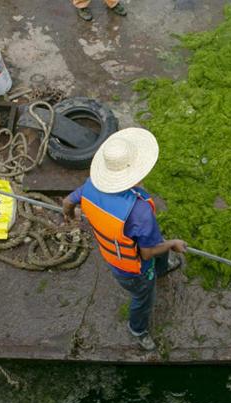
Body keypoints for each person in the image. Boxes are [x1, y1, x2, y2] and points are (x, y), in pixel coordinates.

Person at [62, 128, 186, 351]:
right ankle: (138, 329)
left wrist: (71, 217)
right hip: (131, 268)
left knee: (156, 240)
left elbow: (67, 202)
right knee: (144, 296)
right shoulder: (140, 210)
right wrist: (173, 244)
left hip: (113, 251)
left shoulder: (90, 186)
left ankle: (164, 267)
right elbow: (147, 252)